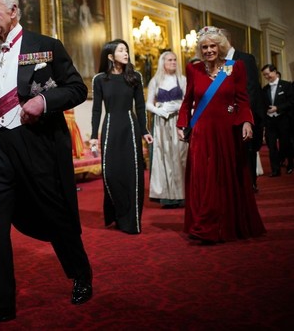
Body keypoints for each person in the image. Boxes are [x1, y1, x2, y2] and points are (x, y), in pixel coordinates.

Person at [0, 0, 93, 330]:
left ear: (13, 10)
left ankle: (80, 273)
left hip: (36, 145)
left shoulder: (46, 47)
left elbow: (78, 88)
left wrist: (45, 102)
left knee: (56, 216)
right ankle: (1, 304)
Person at [176, 26, 266, 245]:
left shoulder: (235, 68)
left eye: (212, 46)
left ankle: (225, 223)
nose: (208, 50)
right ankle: (204, 225)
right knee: (204, 178)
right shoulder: (194, 69)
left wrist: (246, 121)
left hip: (227, 132)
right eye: (204, 47)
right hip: (202, 132)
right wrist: (182, 123)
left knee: (224, 178)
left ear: (220, 46)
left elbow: (243, 99)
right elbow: (188, 100)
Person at [90, 39, 153, 234]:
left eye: (126, 50)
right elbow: (96, 110)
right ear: (110, 56)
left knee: (132, 175)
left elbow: (140, 107)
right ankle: (117, 213)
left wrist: (144, 130)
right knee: (110, 174)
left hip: (130, 128)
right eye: (121, 50)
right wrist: (93, 136)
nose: (126, 53)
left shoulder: (135, 77)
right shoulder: (100, 79)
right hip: (110, 129)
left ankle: (131, 220)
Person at [220, 28, 266, 191]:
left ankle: (249, 185)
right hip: (226, 117)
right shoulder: (221, 63)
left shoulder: (245, 59)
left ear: (225, 41)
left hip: (244, 115)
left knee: (247, 153)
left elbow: (251, 89)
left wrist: (246, 116)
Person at [145, 51, 187, 208]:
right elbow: (148, 103)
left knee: (180, 155)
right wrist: (159, 111)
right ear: (163, 62)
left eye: (175, 60)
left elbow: (188, 101)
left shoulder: (182, 79)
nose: (173, 62)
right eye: (170, 60)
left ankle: (182, 194)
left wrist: (177, 105)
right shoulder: (155, 81)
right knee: (164, 157)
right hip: (161, 123)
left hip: (178, 121)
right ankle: (167, 196)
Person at [261, 64, 294, 176]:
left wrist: (278, 108)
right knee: (272, 147)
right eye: (264, 75)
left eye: (268, 73)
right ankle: (275, 170)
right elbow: (263, 105)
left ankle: (289, 164)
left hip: (283, 120)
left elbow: (291, 102)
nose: (267, 76)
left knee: (285, 144)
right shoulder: (264, 89)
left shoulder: (286, 85)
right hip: (270, 122)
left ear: (274, 71)